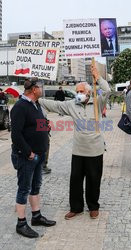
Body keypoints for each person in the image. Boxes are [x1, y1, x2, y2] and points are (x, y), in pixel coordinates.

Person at [39, 68, 110, 220]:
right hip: (78, 150)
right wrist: (36, 98)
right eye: (77, 91)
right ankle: (76, 207)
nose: (78, 93)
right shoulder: (72, 104)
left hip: (95, 150)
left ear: (89, 92)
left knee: (94, 178)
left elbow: (108, 91)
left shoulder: (98, 102)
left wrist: (99, 78)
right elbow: (56, 106)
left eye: (81, 91)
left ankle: (93, 206)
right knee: (76, 179)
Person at [11, 77, 56, 238]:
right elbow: (16, 135)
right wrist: (28, 153)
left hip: (39, 154)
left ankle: (36, 216)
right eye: (40, 87)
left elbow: (36, 124)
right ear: (34, 89)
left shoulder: (36, 105)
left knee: (35, 186)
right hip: (27, 156)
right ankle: (21, 223)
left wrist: (45, 126)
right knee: (24, 188)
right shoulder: (20, 107)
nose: (42, 89)